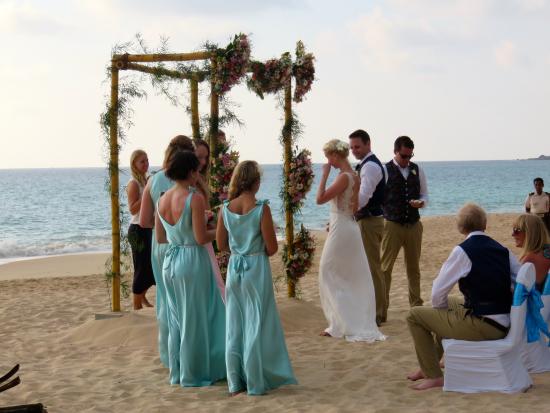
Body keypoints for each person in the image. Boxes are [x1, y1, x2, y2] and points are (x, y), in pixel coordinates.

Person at [406, 203, 521, 390]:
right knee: (448, 304)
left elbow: (437, 292)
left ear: (461, 228)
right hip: (504, 322)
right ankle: (428, 365)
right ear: (484, 225)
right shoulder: (502, 250)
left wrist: (442, 312)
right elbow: (521, 280)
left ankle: (434, 375)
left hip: (484, 326)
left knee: (415, 315)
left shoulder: (463, 251)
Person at [217, 160, 297, 395]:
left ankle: (235, 383)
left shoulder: (225, 208)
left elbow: (221, 245)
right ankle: (254, 381)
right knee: (255, 322)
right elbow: (272, 248)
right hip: (256, 268)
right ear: (256, 181)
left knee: (235, 324)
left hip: (235, 268)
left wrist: (238, 249)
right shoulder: (261, 208)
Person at [156, 150, 226, 387]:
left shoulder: (162, 199)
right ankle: (193, 372)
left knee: (177, 319)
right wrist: (221, 229)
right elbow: (199, 238)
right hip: (192, 260)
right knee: (195, 318)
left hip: (170, 261)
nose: (199, 174)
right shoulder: (193, 198)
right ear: (189, 171)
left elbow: (161, 237)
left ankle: (178, 371)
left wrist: (184, 231)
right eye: (197, 170)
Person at [316, 139, 386, 342]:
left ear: (335, 156)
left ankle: (338, 323)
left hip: (341, 227)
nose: (328, 161)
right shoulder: (354, 176)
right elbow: (355, 208)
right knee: (348, 273)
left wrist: (324, 175)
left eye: (329, 157)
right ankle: (341, 321)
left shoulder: (343, 177)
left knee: (327, 269)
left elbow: (319, 199)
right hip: (350, 226)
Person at [139, 135, 194, 368]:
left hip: (158, 247)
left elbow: (144, 222)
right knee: (186, 302)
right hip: (181, 245)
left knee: (165, 300)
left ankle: (168, 355)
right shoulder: (185, 181)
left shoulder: (153, 180)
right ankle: (187, 354)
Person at [380, 136, 428, 319]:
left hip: (414, 224)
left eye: (410, 156)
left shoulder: (417, 169)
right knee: (385, 269)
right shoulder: (384, 170)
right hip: (391, 224)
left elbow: (425, 194)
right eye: (404, 156)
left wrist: (421, 203)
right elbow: (377, 197)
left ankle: (416, 307)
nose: (407, 160)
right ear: (395, 152)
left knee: (414, 268)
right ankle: (381, 310)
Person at [349, 129, 387, 326]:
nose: (354, 150)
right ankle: (377, 310)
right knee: (370, 266)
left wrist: (347, 212)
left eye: (357, 146)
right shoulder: (367, 165)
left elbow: (363, 198)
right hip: (369, 221)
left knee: (372, 268)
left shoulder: (370, 167)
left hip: (370, 221)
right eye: (352, 147)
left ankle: (378, 313)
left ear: (368, 144)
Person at [194, 138, 226, 302]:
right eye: (199, 157)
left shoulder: (201, 179)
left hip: (205, 236)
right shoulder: (190, 183)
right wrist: (221, 228)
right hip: (197, 241)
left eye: (206, 157)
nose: (203, 162)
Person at [126, 149, 155, 310]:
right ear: (134, 165)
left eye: (147, 160)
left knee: (149, 267)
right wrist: (147, 193)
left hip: (147, 227)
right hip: (137, 229)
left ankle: (142, 296)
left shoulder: (147, 180)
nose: (146, 164)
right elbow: (132, 209)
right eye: (142, 161)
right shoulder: (133, 184)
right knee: (141, 268)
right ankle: (136, 305)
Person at [512, 213, 550, 291]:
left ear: (529, 233)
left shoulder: (529, 260)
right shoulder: (546, 250)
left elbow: (521, 292)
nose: (512, 234)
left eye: (517, 231)